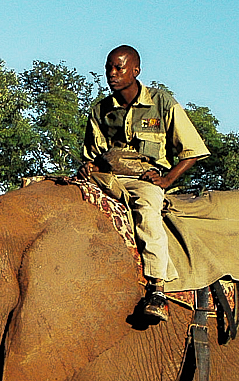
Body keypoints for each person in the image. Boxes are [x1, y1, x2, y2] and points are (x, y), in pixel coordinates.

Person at [79, 45, 209, 322]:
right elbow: (93, 154)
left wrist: (166, 179)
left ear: (135, 71)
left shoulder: (162, 104)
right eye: (108, 67)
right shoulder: (101, 110)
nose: (111, 74)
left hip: (142, 179)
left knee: (147, 213)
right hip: (108, 177)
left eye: (119, 67)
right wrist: (90, 167)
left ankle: (157, 289)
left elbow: (193, 150)